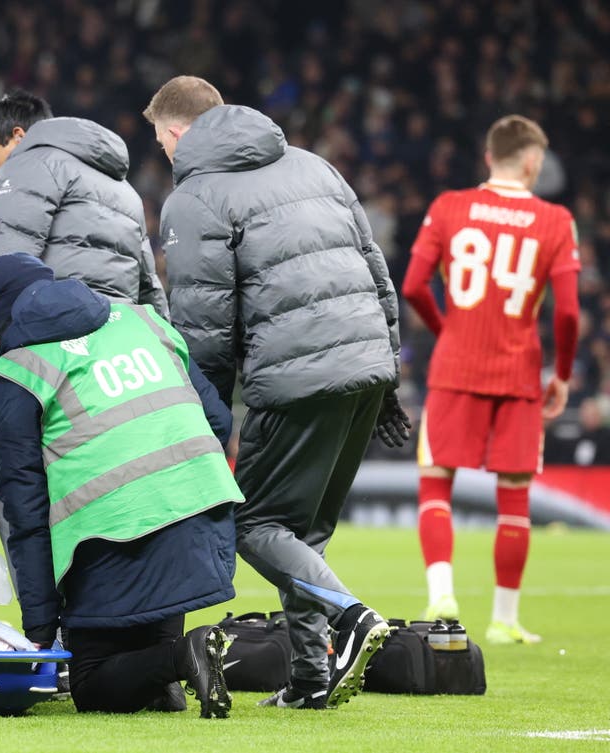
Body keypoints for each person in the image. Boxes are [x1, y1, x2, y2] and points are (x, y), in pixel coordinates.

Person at [145, 75, 407, 710]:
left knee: (255, 521)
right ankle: (311, 681)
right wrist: (388, 373)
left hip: (293, 377)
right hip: (366, 363)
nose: (164, 155)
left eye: (160, 143)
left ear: (178, 133)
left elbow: (204, 325)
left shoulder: (195, 197)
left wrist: (204, 419)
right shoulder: (315, 167)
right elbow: (376, 270)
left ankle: (351, 616)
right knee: (300, 532)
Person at [0, 253, 240, 718]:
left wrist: (40, 627)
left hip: (114, 531)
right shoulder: (144, 319)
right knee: (142, 655)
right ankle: (169, 675)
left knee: (91, 684)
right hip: (199, 515)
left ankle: (186, 656)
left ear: (2, 323)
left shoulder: (20, 368)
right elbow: (219, 420)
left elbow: (24, 509)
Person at [402, 115, 580, 645]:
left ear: (488, 158)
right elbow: (568, 314)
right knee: (515, 497)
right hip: (519, 372)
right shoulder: (555, 220)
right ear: (531, 162)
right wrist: (564, 375)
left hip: (455, 367)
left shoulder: (448, 207)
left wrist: (447, 328)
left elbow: (413, 285)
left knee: (436, 484)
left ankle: (441, 594)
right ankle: (504, 619)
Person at [0, 90, 168, 409]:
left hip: (59, 357)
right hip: (119, 359)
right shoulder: (124, 189)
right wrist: (169, 356)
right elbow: (149, 286)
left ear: (17, 137)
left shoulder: (29, 165)